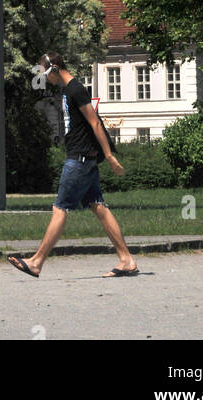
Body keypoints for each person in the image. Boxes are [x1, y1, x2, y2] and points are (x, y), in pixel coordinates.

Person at [8, 52, 138, 279]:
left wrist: (109, 156)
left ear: (56, 68)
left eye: (46, 74)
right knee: (98, 207)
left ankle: (36, 262)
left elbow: (95, 122)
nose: (45, 79)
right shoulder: (67, 91)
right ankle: (126, 259)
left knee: (60, 208)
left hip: (79, 159)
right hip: (82, 158)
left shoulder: (76, 89)